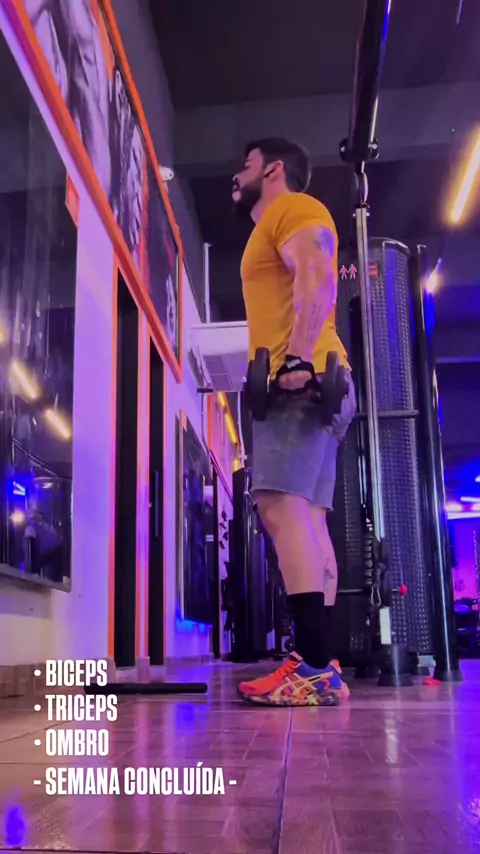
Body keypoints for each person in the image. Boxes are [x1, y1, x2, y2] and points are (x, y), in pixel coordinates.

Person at [232, 138, 356, 706]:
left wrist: (297, 361)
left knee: (280, 507)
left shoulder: (293, 208)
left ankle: (311, 668)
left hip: (303, 381)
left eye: (246, 166)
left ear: (274, 169)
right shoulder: (276, 221)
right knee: (308, 519)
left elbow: (318, 274)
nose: (237, 177)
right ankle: (321, 662)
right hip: (322, 381)